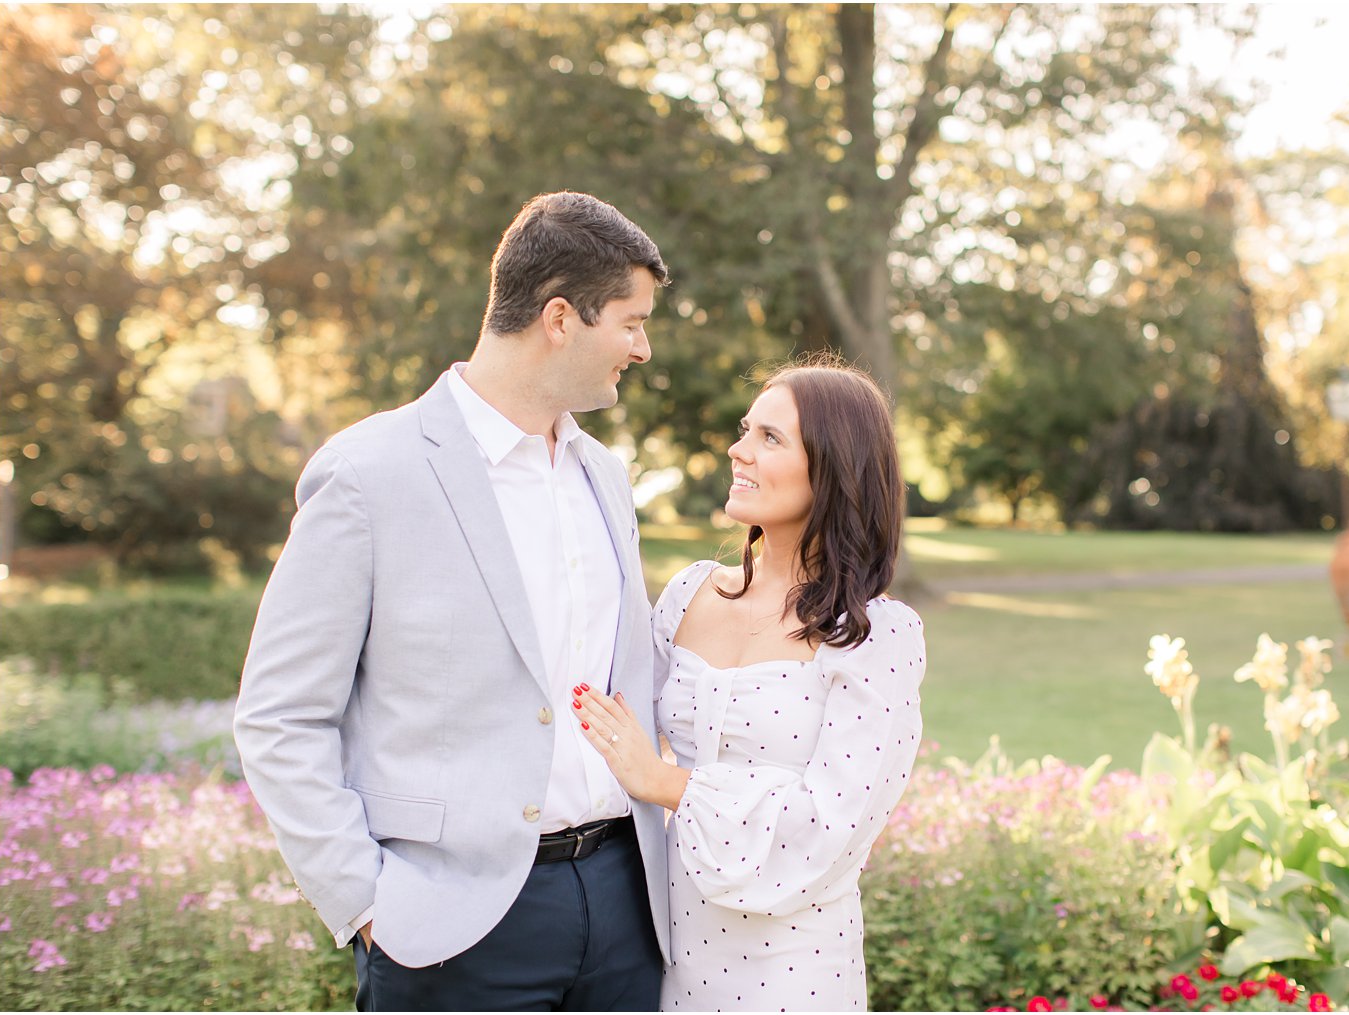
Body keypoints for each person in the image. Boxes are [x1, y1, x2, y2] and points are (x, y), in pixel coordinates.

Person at [234, 191, 672, 1011]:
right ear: (559, 318)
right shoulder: (370, 472)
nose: (642, 348)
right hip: (449, 929)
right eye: (631, 320)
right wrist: (367, 902)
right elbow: (279, 714)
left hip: (623, 902)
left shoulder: (604, 476)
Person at [572, 358, 926, 1011]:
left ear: (834, 467)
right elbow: (607, 727)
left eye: (771, 437)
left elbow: (827, 822)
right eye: (745, 430)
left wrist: (669, 783)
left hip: (794, 968)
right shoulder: (688, 593)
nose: (739, 449)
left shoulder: (876, 637)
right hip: (667, 956)